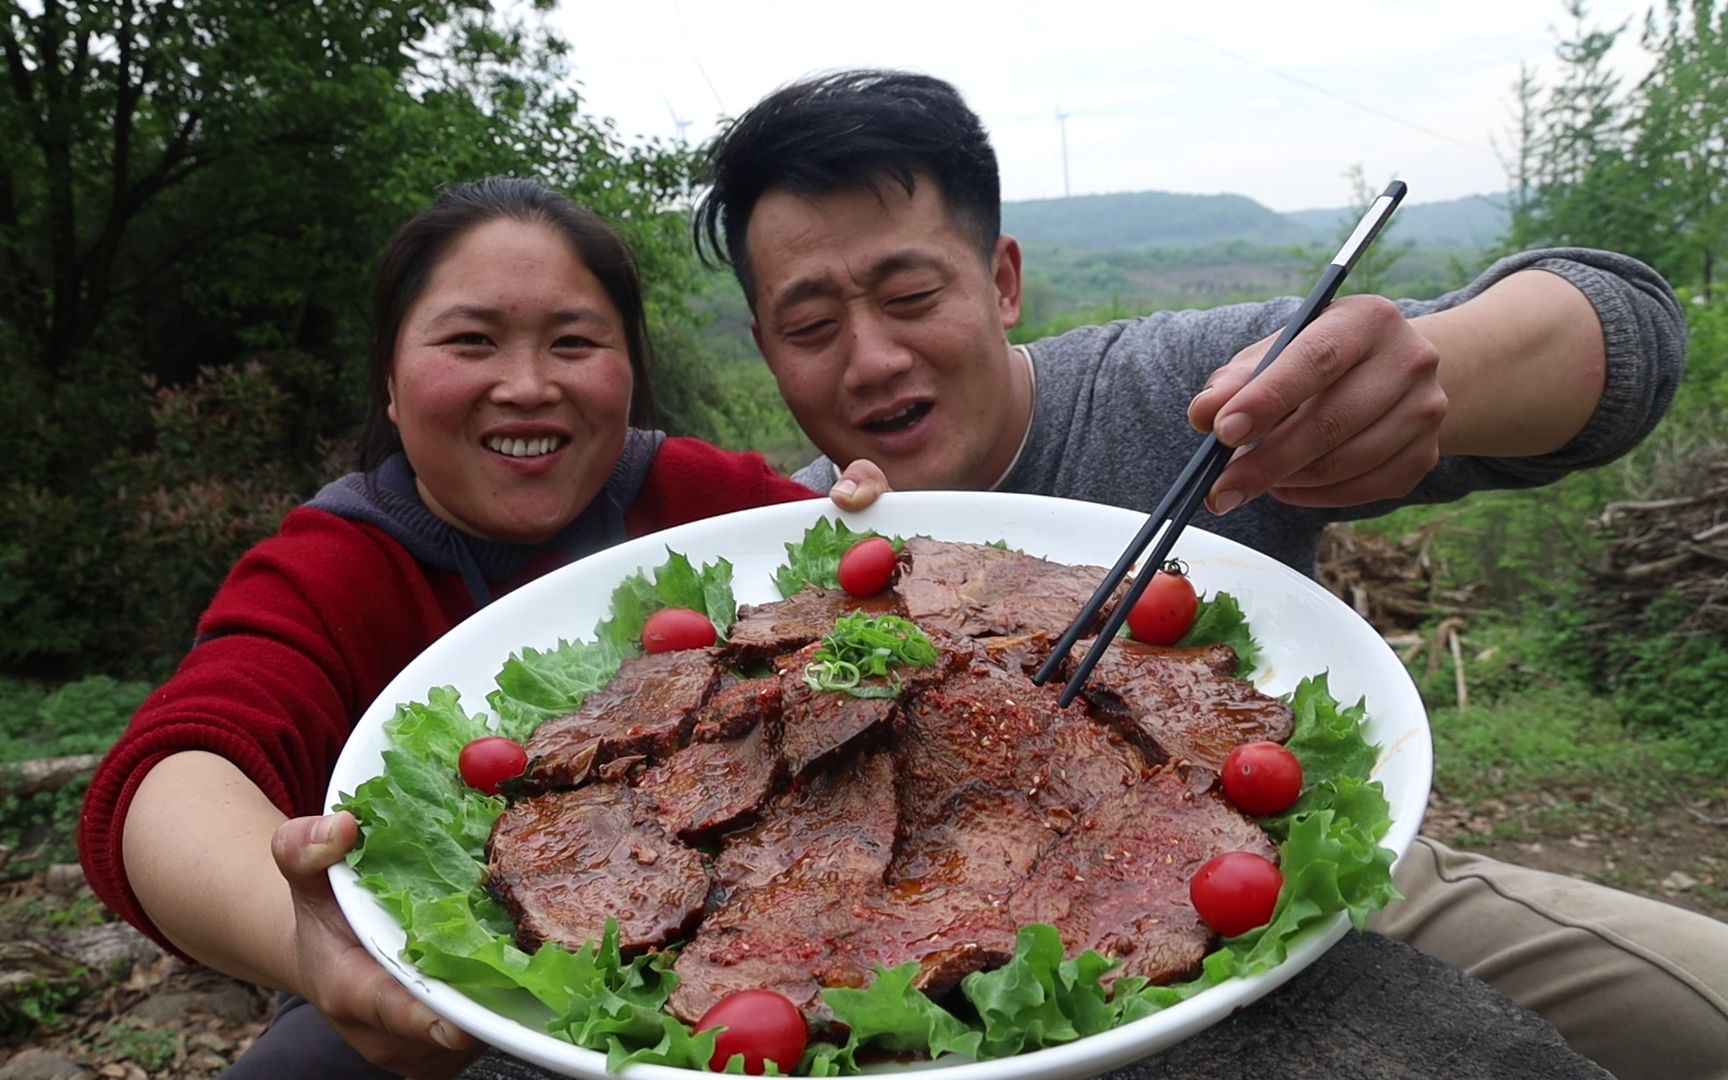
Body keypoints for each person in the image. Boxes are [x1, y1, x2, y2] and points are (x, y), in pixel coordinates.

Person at [692, 69, 1728, 1078]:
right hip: (877, 951)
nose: (870, 358)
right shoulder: (791, 546)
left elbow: (1628, 327)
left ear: (1002, 280)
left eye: (911, 293)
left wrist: (1438, 368)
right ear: (765, 347)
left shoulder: (1181, 393)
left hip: (1275, 873)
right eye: (813, 327)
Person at [76, 177, 888, 1078]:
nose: (529, 385)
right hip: (431, 1023)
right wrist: (314, 948)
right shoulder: (334, 565)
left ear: (630, 371)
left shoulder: (701, 500)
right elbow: (172, 774)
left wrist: (868, 531)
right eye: (471, 341)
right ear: (389, 378)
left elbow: (878, 583)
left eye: (574, 343)